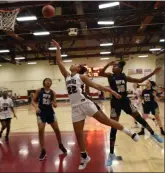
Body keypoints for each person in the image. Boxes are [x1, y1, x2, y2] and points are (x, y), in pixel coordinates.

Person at [52, 39, 139, 170]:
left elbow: (97, 85)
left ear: (78, 69)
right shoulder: (67, 76)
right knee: (78, 134)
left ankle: (128, 131)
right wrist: (58, 48)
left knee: (107, 121)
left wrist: (110, 90)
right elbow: (59, 62)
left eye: (75, 64)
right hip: (75, 108)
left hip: (86, 103)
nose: (72, 64)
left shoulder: (81, 77)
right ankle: (84, 157)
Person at [99, 60, 164, 166]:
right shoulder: (110, 76)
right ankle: (111, 154)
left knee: (139, 118)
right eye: (113, 66)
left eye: (115, 66)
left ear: (120, 69)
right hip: (115, 103)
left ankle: (153, 134)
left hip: (125, 101)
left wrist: (153, 73)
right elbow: (100, 73)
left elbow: (140, 79)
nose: (113, 67)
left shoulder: (125, 77)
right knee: (113, 127)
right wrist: (108, 64)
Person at [32, 78, 67, 161]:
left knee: (57, 130)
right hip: (41, 112)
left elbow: (55, 104)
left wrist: (54, 103)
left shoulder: (53, 92)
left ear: (51, 83)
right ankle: (43, 150)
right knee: (41, 130)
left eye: (49, 81)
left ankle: (60, 144)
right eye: (46, 80)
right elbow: (33, 101)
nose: (48, 82)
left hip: (50, 112)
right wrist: (36, 107)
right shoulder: (39, 90)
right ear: (44, 82)